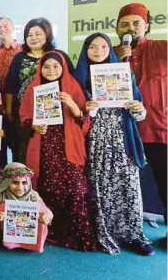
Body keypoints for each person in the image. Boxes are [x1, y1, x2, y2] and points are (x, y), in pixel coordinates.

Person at [74, 33, 153, 256]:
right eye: (92, 47)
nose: (98, 51)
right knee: (100, 188)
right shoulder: (78, 78)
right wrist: (85, 109)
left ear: (110, 49)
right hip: (95, 142)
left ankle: (134, 235)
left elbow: (139, 109)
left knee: (128, 186)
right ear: (85, 50)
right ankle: (104, 233)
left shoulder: (124, 74)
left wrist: (138, 110)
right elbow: (72, 118)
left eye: (103, 46)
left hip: (122, 139)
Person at [19, 51, 96, 251]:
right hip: (44, 147)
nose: (51, 70)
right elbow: (25, 118)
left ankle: (74, 235)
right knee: (47, 188)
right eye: (46, 67)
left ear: (63, 67)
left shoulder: (73, 86)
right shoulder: (33, 88)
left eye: (55, 66)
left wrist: (71, 104)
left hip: (68, 148)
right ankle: (50, 233)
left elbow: (84, 122)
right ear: (40, 69)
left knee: (75, 188)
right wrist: (34, 126)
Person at [114, 3, 167, 225]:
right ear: (117, 29)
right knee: (119, 184)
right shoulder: (108, 53)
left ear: (146, 26)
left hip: (158, 128)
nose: (130, 28)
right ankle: (122, 229)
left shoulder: (162, 48)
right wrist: (114, 59)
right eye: (124, 24)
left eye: (136, 23)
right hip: (122, 131)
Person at [4, 17, 73, 163]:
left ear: (47, 34)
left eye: (38, 34)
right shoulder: (19, 58)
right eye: (29, 35)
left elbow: (72, 84)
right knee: (23, 153)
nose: (33, 38)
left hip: (56, 116)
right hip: (25, 115)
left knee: (51, 156)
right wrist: (9, 112)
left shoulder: (59, 56)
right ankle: (24, 184)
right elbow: (10, 86)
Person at [0, 162, 53, 253]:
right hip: (5, 234)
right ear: (6, 183)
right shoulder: (0, 196)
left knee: (40, 209)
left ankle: (32, 244)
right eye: (15, 182)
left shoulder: (33, 195)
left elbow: (48, 211)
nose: (20, 188)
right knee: (2, 207)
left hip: (28, 232)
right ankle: (11, 242)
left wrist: (47, 217)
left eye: (24, 183)